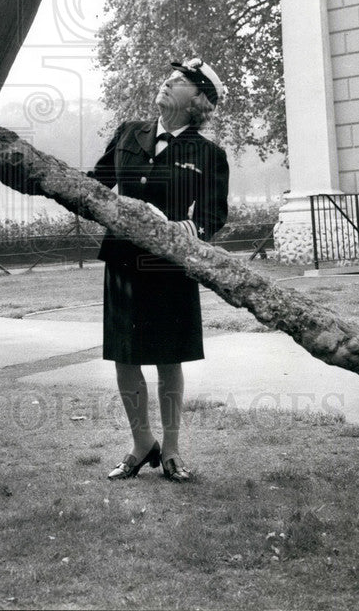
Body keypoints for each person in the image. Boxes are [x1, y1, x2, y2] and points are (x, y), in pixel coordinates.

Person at [87, 58, 229, 483]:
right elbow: (95, 183)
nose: (167, 82)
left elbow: (212, 215)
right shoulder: (130, 133)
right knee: (124, 356)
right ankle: (140, 443)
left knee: (169, 357)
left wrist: (194, 229)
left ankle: (171, 449)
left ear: (198, 101)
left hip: (170, 266)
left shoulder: (209, 154)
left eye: (180, 82)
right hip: (123, 261)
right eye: (168, 77)